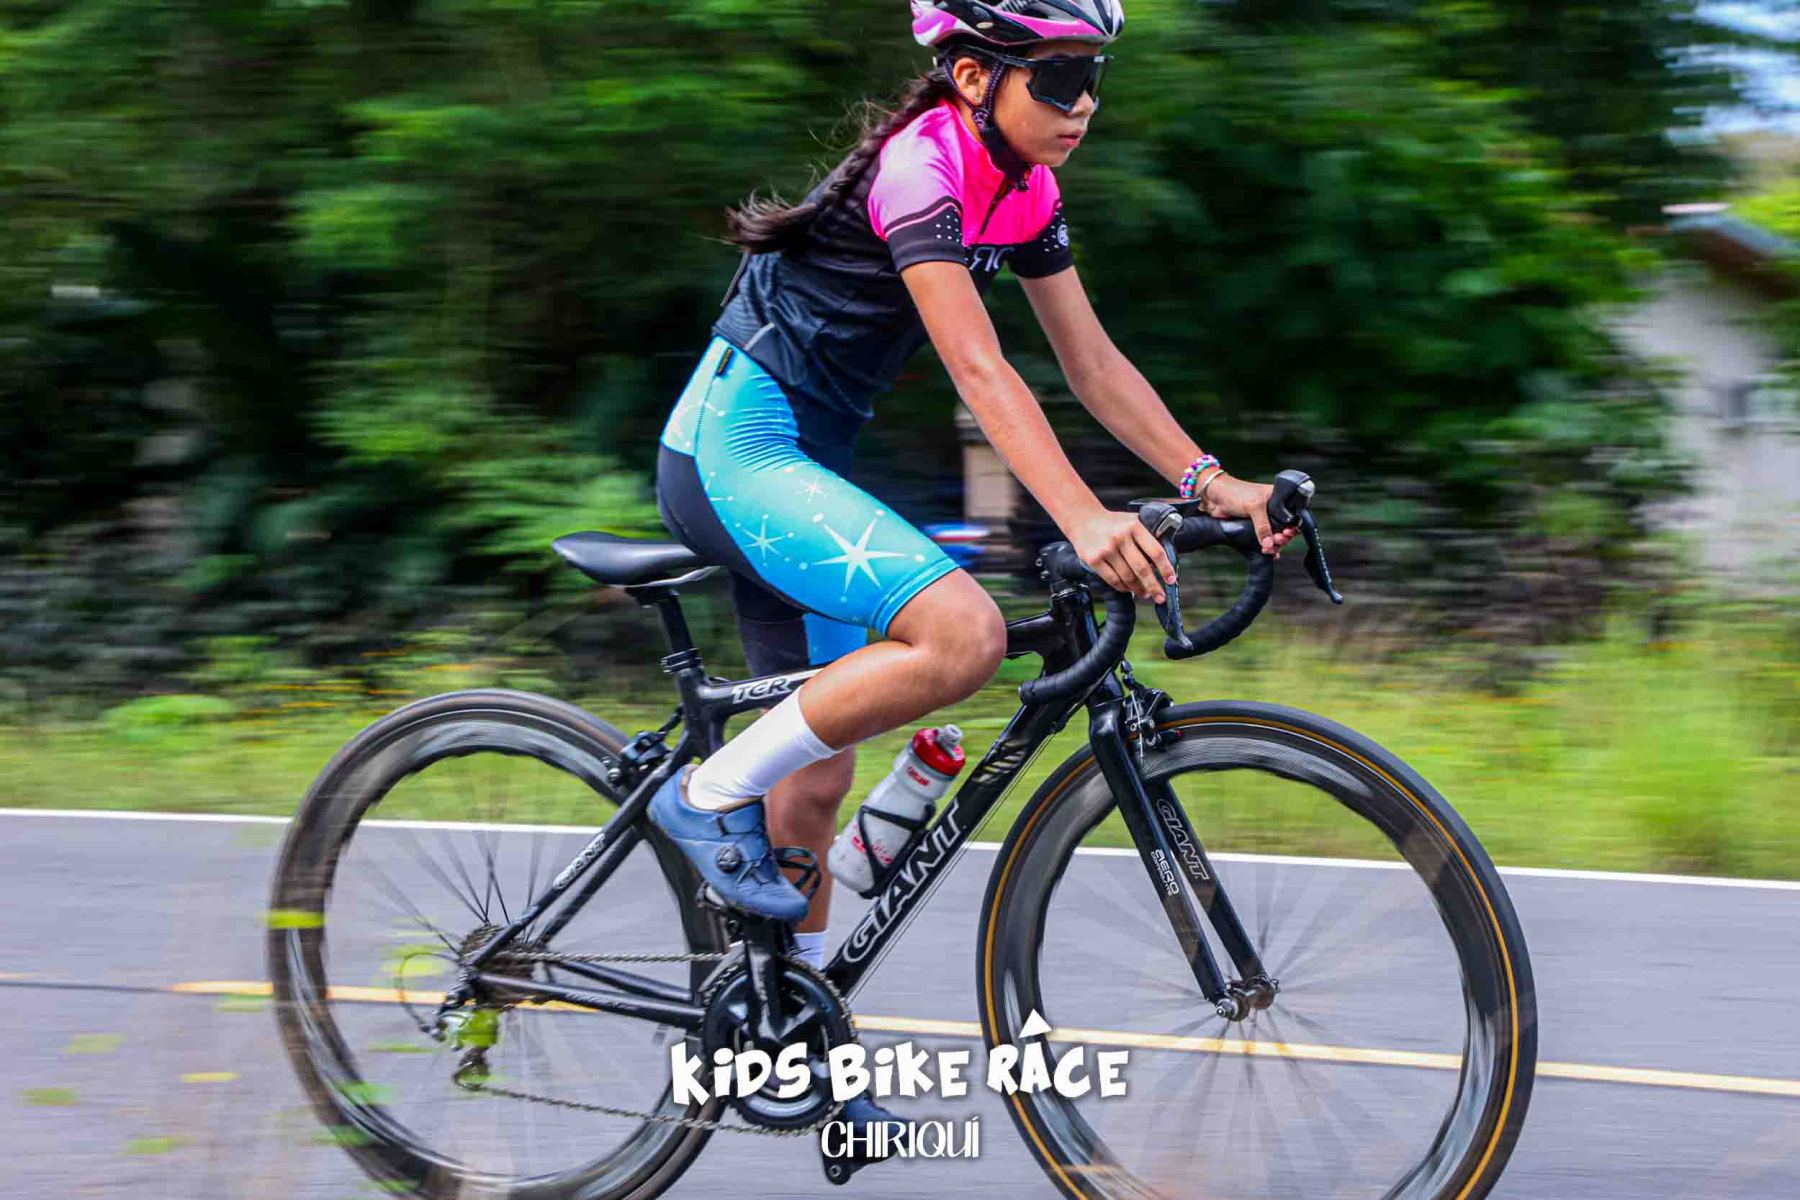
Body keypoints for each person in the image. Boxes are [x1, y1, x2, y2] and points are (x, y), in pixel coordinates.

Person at [651, 0, 1297, 947]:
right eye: (1060, 79)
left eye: (1093, 77)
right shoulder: (923, 167)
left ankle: (789, 1023)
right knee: (963, 636)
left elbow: (1092, 364)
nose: (1085, 104)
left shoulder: (1024, 186)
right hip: (733, 455)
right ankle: (704, 796)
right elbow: (979, 367)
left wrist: (1211, 482)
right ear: (972, 77)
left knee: (818, 777)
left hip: (804, 464)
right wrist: (1083, 518)